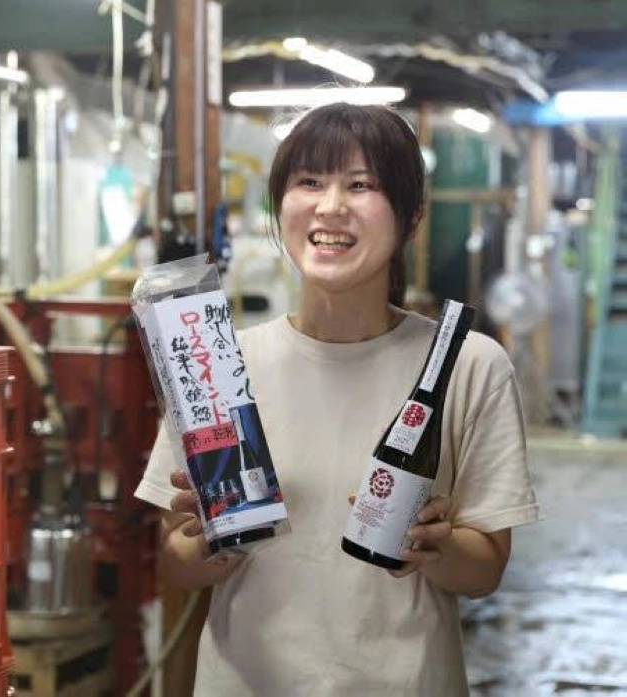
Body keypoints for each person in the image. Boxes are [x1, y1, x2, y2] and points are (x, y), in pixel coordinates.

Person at [133, 103, 540, 695]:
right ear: (281, 205)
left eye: (361, 185)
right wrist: (213, 539)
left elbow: (484, 571)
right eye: (309, 182)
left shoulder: (467, 365)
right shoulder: (216, 364)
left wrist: (437, 544)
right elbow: (176, 566)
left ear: (412, 216)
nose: (330, 207)